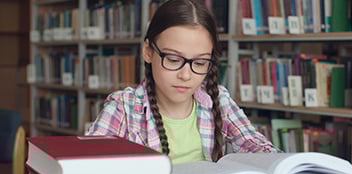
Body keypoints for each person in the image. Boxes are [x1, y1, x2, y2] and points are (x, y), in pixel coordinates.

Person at [86, 0, 279, 163]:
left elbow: (255, 144)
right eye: (173, 60)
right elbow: (87, 164)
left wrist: (272, 161)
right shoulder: (123, 108)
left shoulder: (219, 100)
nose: (186, 75)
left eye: (200, 62)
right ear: (148, 51)